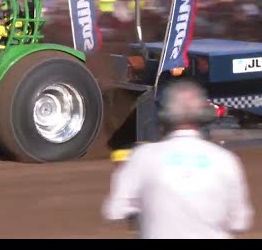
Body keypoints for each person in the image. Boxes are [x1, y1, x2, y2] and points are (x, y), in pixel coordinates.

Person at [101, 80, 254, 239]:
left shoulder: (143, 157)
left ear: (164, 118)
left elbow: (115, 210)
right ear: (203, 117)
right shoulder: (225, 160)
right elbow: (240, 222)